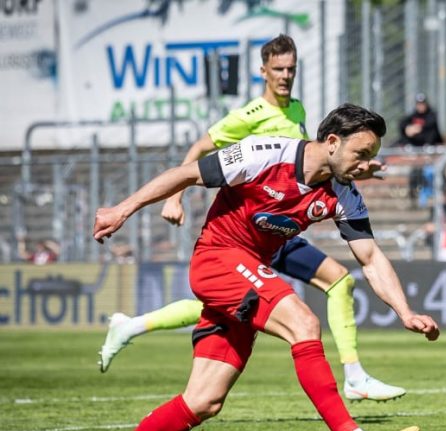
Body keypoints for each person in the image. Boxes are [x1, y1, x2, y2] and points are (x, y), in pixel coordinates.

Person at [69, 104, 440, 431]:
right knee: (304, 322)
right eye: (360, 153)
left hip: (245, 275)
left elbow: (370, 259)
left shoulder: (344, 193)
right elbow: (187, 173)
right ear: (332, 142)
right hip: (217, 259)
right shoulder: (266, 154)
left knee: (203, 401)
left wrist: (405, 311)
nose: (366, 164)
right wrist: (122, 209)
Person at [97, 35, 408, 402]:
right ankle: (354, 376)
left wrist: (354, 170)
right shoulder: (249, 115)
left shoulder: (297, 111)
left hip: (281, 223)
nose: (286, 76)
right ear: (263, 71)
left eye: (292, 68)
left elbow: (315, 165)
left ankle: (131, 325)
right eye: (278, 69)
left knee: (240, 303)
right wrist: (175, 198)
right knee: (329, 283)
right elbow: (200, 151)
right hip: (249, 224)